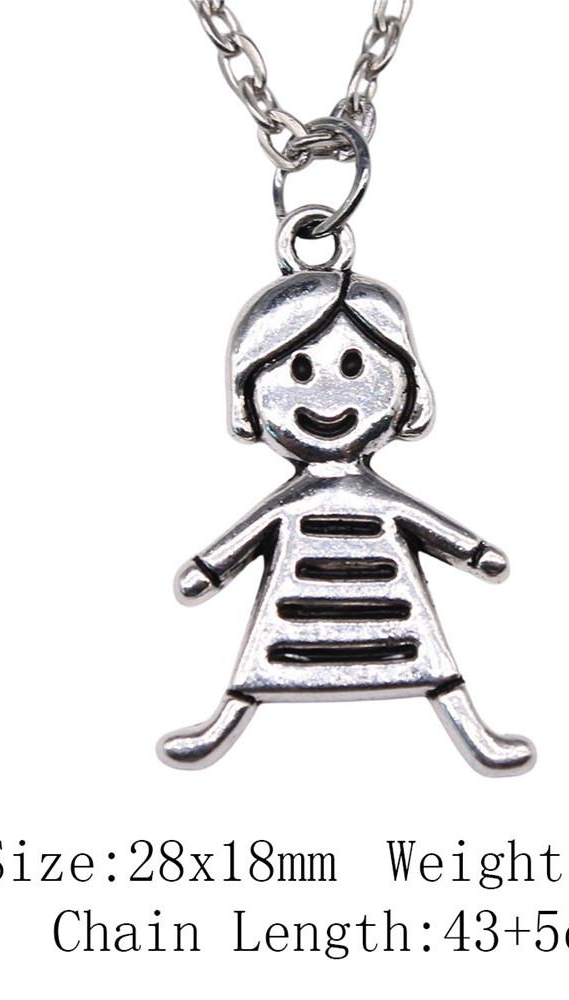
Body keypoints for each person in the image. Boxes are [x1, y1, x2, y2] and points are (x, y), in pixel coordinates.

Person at [157, 269, 535, 776]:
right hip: (297, 610)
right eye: (299, 371)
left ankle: (476, 736)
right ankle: (221, 726)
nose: (328, 395)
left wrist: (473, 552)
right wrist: (210, 569)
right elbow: (244, 538)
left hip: (390, 608)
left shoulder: (379, 500)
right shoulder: (290, 503)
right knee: (261, 666)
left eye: (354, 366)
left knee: (433, 666)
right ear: (249, 393)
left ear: (406, 386)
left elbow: (426, 524)